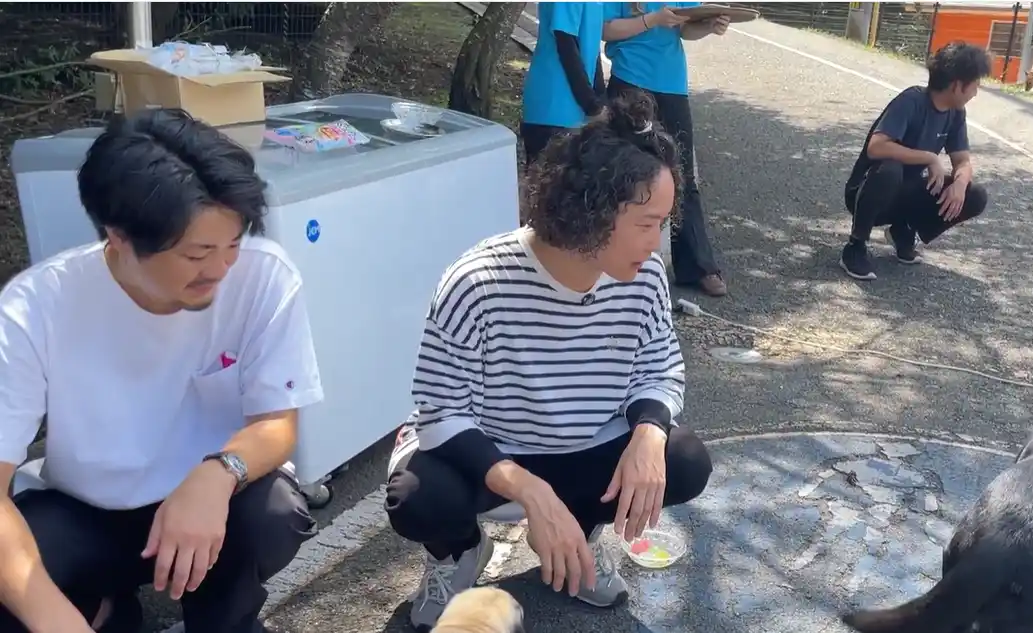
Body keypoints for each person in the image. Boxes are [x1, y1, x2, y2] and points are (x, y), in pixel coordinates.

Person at [384, 94, 714, 630]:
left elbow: (659, 367)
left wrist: (650, 431)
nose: (658, 244)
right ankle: (458, 553)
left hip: (582, 446)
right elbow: (442, 415)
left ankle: (578, 536)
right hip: (490, 452)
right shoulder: (478, 281)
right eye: (647, 223)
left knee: (684, 460)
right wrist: (530, 491)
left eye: (663, 223)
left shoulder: (644, 277)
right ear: (592, 212)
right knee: (419, 498)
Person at [0, 108, 323, 633]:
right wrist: (57, 622)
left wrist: (218, 474)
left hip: (212, 498)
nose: (220, 269)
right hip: (85, 508)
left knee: (272, 514)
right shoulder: (35, 308)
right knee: (17, 589)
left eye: (232, 244)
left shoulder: (264, 276)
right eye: (197, 254)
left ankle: (225, 621)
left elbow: (277, 422)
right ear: (119, 237)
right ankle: (101, 610)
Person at [602, 3, 731, 297]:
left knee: (682, 174)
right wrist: (652, 20)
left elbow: (685, 29)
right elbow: (606, 29)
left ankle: (697, 265)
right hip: (630, 80)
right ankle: (613, 257)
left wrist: (709, 26)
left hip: (672, 83)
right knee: (624, 173)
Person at [840, 41, 991, 281]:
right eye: (975, 84)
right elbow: (877, 147)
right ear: (957, 85)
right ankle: (855, 246)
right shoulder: (911, 101)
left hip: (905, 192)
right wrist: (929, 157)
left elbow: (963, 161)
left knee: (975, 195)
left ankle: (904, 230)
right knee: (890, 169)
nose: (975, 92)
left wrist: (960, 184)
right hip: (868, 192)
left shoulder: (956, 113)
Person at [520, 2, 607, 164]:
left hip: (577, 111)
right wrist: (592, 105)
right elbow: (566, 45)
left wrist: (601, 101)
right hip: (554, 109)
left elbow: (592, 48)